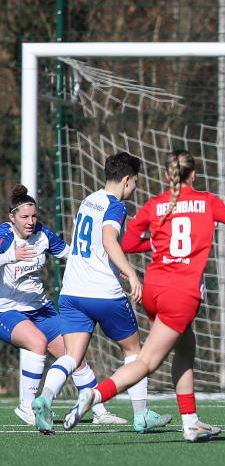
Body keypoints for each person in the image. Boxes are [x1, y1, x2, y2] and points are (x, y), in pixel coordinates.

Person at [63, 150, 225, 442]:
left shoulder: (154, 204)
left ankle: (191, 423)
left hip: (154, 292)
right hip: (180, 295)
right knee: (147, 362)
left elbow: (131, 243)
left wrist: (161, 247)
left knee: (186, 348)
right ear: (194, 175)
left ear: (166, 176)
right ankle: (95, 396)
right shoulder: (207, 202)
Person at [32, 153, 171, 434]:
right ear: (127, 180)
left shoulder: (88, 200)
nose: (135, 188)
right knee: (134, 350)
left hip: (72, 291)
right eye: (135, 183)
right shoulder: (116, 206)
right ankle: (141, 415)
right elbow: (108, 240)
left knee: (72, 355)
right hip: (103, 293)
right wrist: (131, 273)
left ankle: (45, 398)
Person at [1, 186, 125, 426]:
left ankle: (99, 412)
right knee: (37, 343)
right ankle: (27, 406)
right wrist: (10, 256)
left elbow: (71, 254)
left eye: (33, 216)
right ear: (12, 217)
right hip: (7, 310)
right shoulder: (5, 236)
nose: (30, 222)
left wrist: (102, 262)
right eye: (24, 217)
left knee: (75, 356)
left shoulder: (43, 235)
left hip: (41, 310)